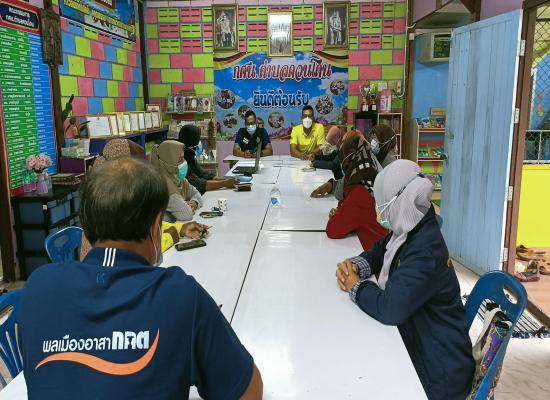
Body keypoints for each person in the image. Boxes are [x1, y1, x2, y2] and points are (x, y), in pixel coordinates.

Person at [19, 158, 263, 399]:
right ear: (156, 225)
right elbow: (248, 391)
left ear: (87, 222)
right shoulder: (178, 295)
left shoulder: (38, 288)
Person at [335, 160, 474, 400]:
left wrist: (355, 286)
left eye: (382, 203)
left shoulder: (425, 252)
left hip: (439, 374)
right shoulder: (414, 225)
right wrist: (355, 265)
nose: (379, 211)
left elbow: (390, 309)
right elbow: (380, 250)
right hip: (424, 344)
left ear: (400, 202)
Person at [80, 138, 209, 259]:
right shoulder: (113, 204)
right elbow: (134, 252)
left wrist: (180, 229)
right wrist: (170, 236)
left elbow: (145, 226)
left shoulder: (113, 195)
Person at [326, 135, 388, 250]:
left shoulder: (359, 192)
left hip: (377, 255)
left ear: (348, 161)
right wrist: (343, 212)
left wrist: (338, 214)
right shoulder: (371, 180)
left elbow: (333, 230)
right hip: (382, 248)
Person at [151, 140, 203, 222]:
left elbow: (196, 193)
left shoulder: (178, 179)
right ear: (168, 162)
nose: (184, 162)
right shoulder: (163, 185)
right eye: (180, 160)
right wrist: (185, 207)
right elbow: (187, 214)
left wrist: (194, 202)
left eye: (183, 158)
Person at [178, 125, 239, 194]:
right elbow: (198, 184)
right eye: (198, 140)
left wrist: (226, 180)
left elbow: (203, 174)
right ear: (191, 140)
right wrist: (225, 183)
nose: (199, 143)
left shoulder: (190, 157)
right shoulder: (179, 160)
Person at [310, 130, 367, 200]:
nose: (343, 144)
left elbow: (334, 165)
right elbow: (330, 157)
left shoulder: (363, 165)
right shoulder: (343, 151)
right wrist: (331, 185)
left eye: (345, 142)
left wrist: (316, 163)